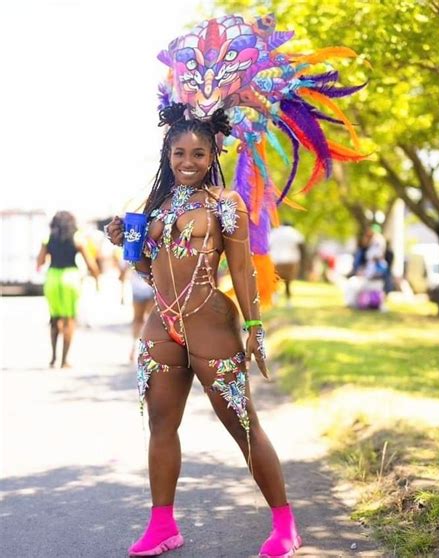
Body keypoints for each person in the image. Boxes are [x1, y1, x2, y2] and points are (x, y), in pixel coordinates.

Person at [105, 104, 301, 558]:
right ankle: (162, 526)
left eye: (197, 153)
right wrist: (126, 241)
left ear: (213, 153)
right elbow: (148, 270)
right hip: (162, 327)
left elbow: (243, 270)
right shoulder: (154, 204)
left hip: (212, 324)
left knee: (243, 426)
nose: (187, 162)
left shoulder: (224, 204)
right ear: (166, 154)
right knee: (160, 424)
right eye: (178, 153)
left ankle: (285, 525)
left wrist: (254, 327)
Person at [37, 211, 99, 368]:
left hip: (52, 277)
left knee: (54, 318)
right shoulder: (78, 238)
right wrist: (96, 278)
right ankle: (64, 361)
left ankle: (53, 358)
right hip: (71, 278)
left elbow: (40, 261)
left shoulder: (48, 238)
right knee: (69, 319)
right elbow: (91, 265)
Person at [269, 222, 305, 304]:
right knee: (288, 282)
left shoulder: (274, 232)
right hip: (290, 261)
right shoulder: (293, 232)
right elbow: (301, 246)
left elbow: (268, 245)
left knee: (275, 280)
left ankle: (275, 298)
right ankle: (288, 300)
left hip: (276, 260)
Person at [129, 269, 155, 361]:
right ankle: (147, 351)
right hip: (151, 287)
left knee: (138, 319)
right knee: (152, 320)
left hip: (137, 288)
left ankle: (134, 348)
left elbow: (126, 265)